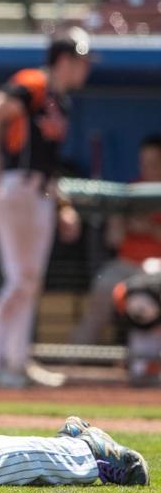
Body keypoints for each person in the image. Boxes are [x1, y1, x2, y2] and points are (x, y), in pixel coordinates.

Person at [0, 27, 92, 388]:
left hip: (40, 191)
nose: (85, 69)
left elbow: (50, 162)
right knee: (21, 278)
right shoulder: (33, 83)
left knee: (30, 280)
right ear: (64, 59)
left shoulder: (63, 100)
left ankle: (16, 359)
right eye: (81, 61)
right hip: (14, 185)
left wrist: (63, 206)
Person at [72, 135, 161, 347]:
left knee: (147, 298)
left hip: (157, 267)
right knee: (102, 288)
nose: (149, 168)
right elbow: (114, 239)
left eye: (155, 163)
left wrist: (148, 227)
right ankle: (73, 357)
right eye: (145, 163)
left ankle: (144, 363)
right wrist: (123, 222)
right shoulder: (129, 192)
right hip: (125, 265)